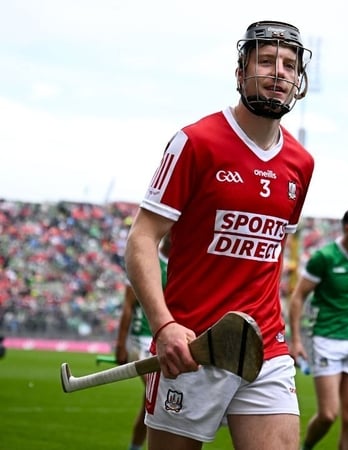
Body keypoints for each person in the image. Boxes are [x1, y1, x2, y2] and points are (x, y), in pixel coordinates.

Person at [124, 20, 314, 450]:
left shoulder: (302, 163)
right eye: (266, 60)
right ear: (240, 72)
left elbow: (269, 257)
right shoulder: (195, 141)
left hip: (265, 346)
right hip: (192, 347)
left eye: (288, 64)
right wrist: (164, 325)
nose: (278, 72)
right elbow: (141, 239)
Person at [288, 207, 348, 450]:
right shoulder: (324, 258)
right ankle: (306, 447)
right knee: (328, 414)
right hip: (326, 339)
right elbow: (298, 298)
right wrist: (296, 340)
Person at [115, 234, 171, 450]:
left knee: (150, 402)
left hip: (162, 341)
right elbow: (128, 306)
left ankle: (134, 447)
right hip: (141, 341)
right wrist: (120, 345)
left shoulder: (181, 266)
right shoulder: (149, 263)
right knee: (158, 395)